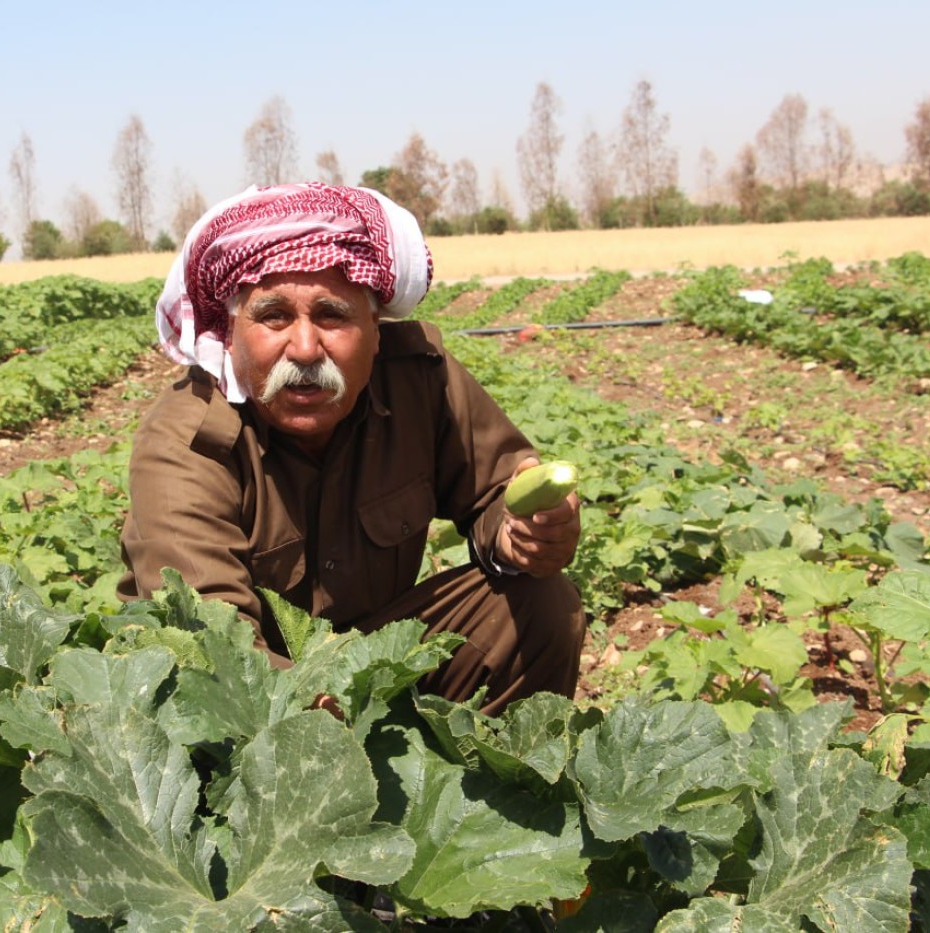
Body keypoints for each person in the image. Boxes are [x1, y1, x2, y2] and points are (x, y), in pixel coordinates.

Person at [118, 183, 585, 715]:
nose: (305, 348)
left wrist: (525, 532)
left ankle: (491, 784)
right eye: (273, 317)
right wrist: (326, 713)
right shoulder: (188, 438)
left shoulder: (419, 383)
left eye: (333, 315)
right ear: (230, 332)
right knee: (213, 678)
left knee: (543, 604)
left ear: (376, 329)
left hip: (367, 655)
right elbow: (212, 637)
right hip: (234, 691)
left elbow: (499, 489)